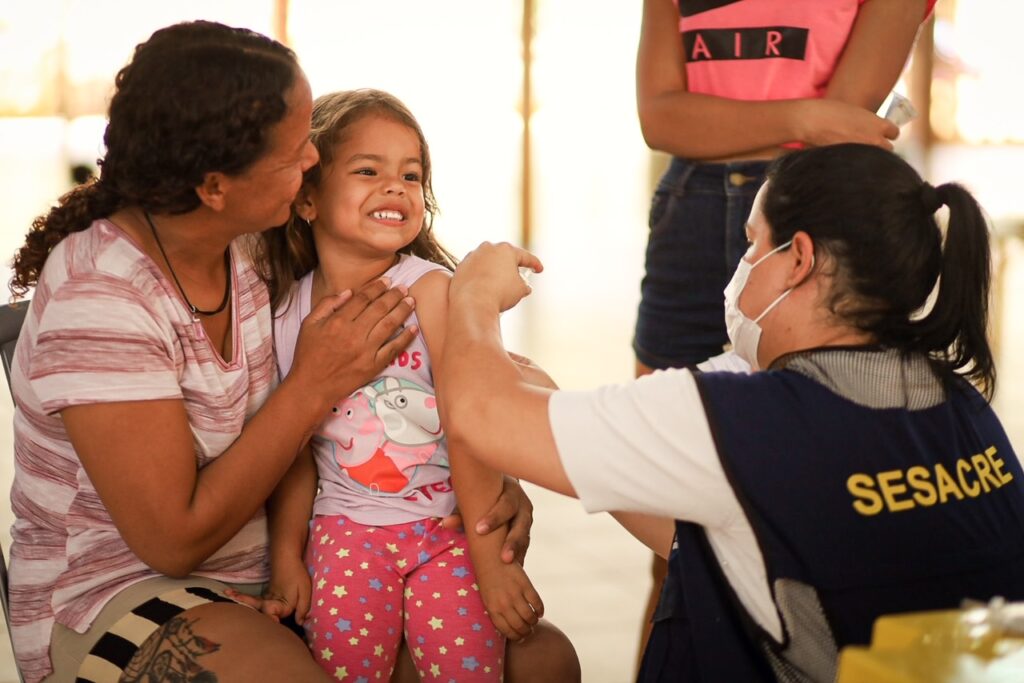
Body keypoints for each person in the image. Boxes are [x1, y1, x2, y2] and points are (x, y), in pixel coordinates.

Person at [5, 22, 555, 683]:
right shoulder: (100, 296)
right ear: (214, 187)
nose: (313, 162)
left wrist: (498, 478)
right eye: (295, 152)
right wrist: (312, 383)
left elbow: (449, 380)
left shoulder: (253, 251)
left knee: (542, 662)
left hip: (290, 555)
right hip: (122, 589)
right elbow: (172, 541)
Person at [437, 143, 1024, 682]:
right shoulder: (959, 406)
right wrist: (585, 446)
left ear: (798, 259)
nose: (742, 265)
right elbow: (748, 541)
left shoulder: (747, 416)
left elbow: (481, 415)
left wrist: (472, 295)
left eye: (753, 244)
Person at [632, 0, 935, 658]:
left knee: (819, 515)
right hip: (690, 211)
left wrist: (727, 123)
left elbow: (846, 123)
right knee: (667, 525)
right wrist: (801, 115)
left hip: (812, 214)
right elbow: (659, 116)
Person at [253, 88, 556, 682]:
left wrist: (489, 559)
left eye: (411, 175)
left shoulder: (433, 292)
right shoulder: (287, 314)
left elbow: (469, 423)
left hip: (445, 532)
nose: (396, 187)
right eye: (369, 170)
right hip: (344, 535)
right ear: (308, 198)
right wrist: (287, 559)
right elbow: (294, 453)